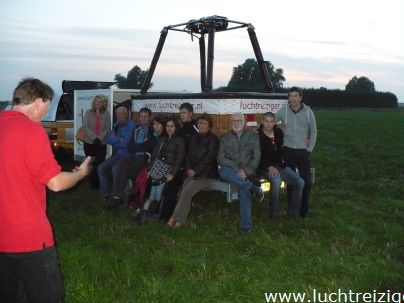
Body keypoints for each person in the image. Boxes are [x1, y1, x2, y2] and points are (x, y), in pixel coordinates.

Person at [0, 78, 91, 302]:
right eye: (47, 107)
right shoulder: (31, 131)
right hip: (29, 238)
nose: (44, 114)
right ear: (39, 102)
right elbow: (56, 183)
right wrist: (79, 174)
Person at [167, 113, 218, 229]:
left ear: (209, 126)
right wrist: (189, 169)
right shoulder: (194, 137)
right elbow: (188, 155)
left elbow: (209, 159)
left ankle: (175, 219)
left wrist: (195, 170)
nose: (201, 125)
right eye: (200, 123)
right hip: (192, 172)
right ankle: (178, 219)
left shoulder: (213, 139)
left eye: (204, 123)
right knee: (184, 190)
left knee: (186, 192)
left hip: (206, 174)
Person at [217, 113, 263, 232]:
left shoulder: (253, 136)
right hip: (231, 170)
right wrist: (237, 170)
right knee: (223, 171)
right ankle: (253, 188)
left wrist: (246, 171)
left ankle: (245, 226)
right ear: (230, 122)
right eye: (233, 121)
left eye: (239, 120)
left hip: (247, 172)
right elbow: (220, 158)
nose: (236, 123)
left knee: (244, 191)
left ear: (244, 122)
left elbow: (256, 156)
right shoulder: (224, 137)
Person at [275, 86, 317, 217]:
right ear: (289, 98)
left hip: (303, 152)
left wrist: (309, 149)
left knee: (307, 182)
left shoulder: (308, 112)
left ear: (300, 97)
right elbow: (270, 123)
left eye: (295, 96)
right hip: (287, 151)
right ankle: (292, 210)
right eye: (291, 96)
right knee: (292, 182)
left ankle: (304, 210)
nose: (293, 99)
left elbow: (314, 132)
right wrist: (279, 127)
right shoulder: (283, 111)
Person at [258, 112, 305, 218]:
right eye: (266, 121)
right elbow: (256, 156)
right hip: (263, 166)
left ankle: (293, 212)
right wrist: (269, 166)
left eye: (271, 122)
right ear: (262, 122)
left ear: (274, 123)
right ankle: (273, 213)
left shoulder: (278, 132)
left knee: (300, 182)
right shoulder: (257, 136)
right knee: (276, 180)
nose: (269, 124)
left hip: (279, 165)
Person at [108, 107, 156, 209]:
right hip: (133, 155)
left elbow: (150, 146)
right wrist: (141, 145)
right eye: (141, 116)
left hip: (145, 157)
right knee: (118, 167)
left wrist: (138, 146)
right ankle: (116, 197)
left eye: (145, 117)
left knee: (126, 172)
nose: (143, 119)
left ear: (150, 118)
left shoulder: (152, 129)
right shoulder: (136, 129)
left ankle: (126, 197)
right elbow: (130, 146)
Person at [147, 118, 185, 222]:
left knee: (159, 191)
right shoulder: (162, 139)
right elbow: (154, 155)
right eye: (167, 126)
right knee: (152, 190)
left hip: (169, 169)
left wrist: (172, 174)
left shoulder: (179, 140)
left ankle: (157, 213)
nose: (169, 128)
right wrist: (149, 169)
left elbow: (179, 159)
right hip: (158, 167)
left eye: (172, 126)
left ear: (176, 127)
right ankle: (148, 211)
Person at [97, 106, 135, 208]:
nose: (119, 116)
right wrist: (119, 140)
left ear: (126, 114)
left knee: (115, 170)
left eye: (121, 114)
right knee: (101, 168)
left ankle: (116, 197)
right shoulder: (116, 124)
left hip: (127, 155)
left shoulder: (131, 125)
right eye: (117, 114)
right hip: (117, 154)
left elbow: (126, 143)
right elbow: (109, 139)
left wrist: (116, 140)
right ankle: (105, 195)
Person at [81, 94, 111, 188]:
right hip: (89, 142)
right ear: (93, 103)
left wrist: (100, 138)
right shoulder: (88, 112)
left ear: (103, 103)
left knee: (100, 163)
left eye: (100, 101)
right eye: (96, 101)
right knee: (91, 163)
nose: (98, 103)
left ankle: (99, 183)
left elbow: (108, 128)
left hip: (101, 143)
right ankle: (93, 184)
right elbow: (85, 127)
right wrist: (94, 137)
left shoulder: (107, 113)